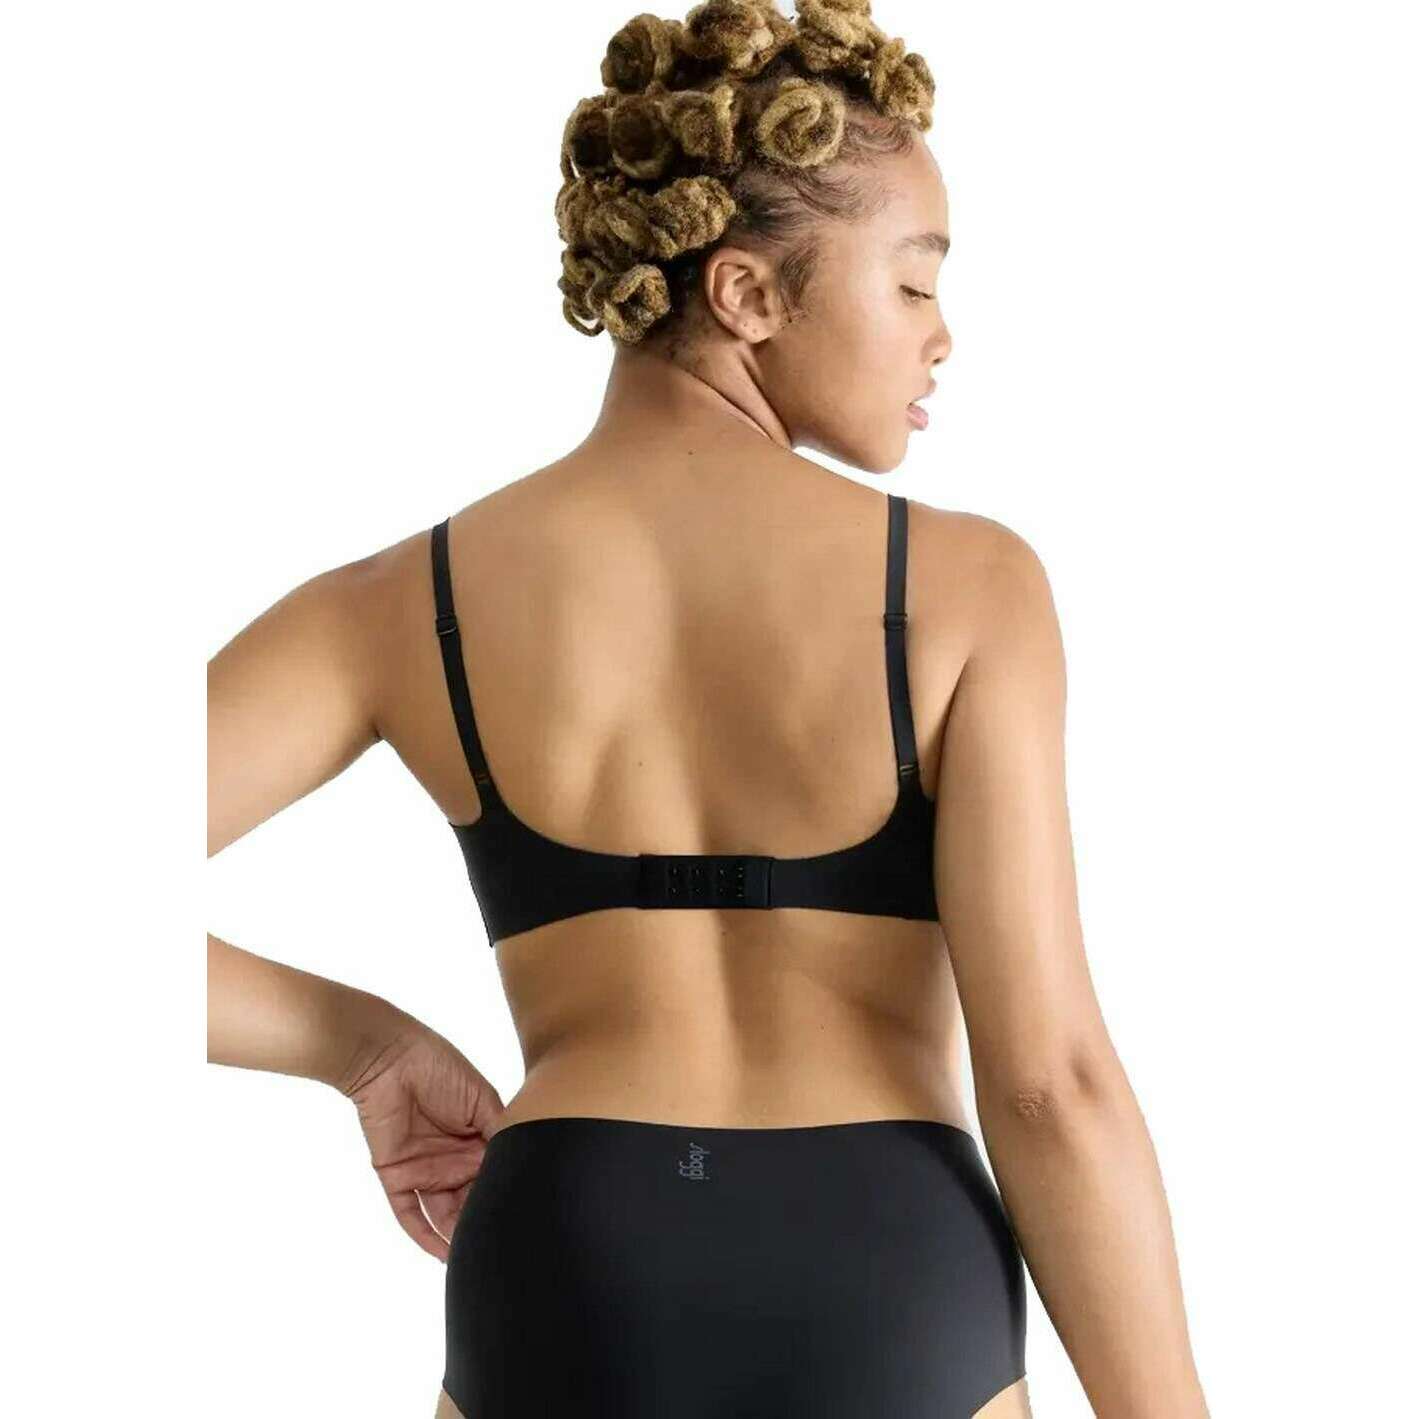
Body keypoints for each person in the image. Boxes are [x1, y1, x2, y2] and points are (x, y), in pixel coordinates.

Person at [207, 3, 1210, 1415]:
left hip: (571, 1248)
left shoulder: (399, 600)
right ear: (745, 294)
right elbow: (1051, 1087)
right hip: (885, 1258)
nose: (943, 337)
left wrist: (360, 1048)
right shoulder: (968, 588)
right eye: (913, 284)